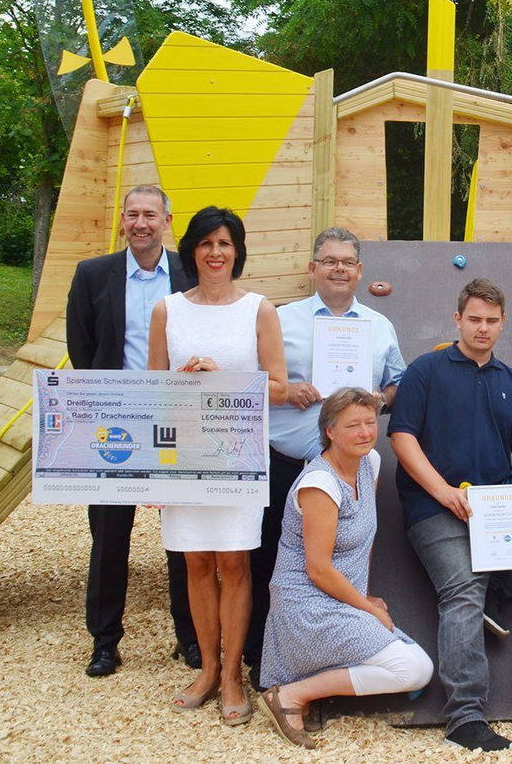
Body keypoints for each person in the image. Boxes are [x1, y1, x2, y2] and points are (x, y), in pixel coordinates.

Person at [388, 278, 512, 752]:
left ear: (504, 324)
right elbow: (402, 438)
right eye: (474, 319)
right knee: (462, 590)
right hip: (434, 508)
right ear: (457, 319)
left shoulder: (511, 381)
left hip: (497, 505)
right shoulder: (425, 371)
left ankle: (495, 589)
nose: (483, 328)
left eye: (492, 321)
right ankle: (464, 716)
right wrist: (441, 492)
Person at [149, 205, 288, 725]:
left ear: (238, 251)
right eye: (206, 243)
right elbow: (152, 391)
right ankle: (206, 669)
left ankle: (233, 674)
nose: (215, 252)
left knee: (234, 563)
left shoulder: (259, 309)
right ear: (192, 250)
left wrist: (223, 379)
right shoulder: (167, 310)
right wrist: (153, 467)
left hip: (238, 457)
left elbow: (278, 387)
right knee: (196, 562)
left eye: (225, 243)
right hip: (183, 455)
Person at [246, 227, 404, 685]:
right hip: (286, 463)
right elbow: (254, 383)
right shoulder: (281, 319)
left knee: (341, 563)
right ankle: (264, 657)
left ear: (359, 271)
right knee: (269, 560)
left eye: (347, 262)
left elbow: (399, 382)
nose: (339, 268)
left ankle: (327, 658)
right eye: (329, 260)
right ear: (312, 268)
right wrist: (286, 391)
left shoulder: (379, 326)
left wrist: (378, 399)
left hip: (348, 469)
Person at [64, 185, 198, 678]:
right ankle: (104, 642)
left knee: (183, 533)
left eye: (151, 214)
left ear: (167, 219)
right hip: (114, 421)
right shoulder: (93, 274)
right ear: (122, 220)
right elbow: (81, 346)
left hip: (175, 417)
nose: (141, 223)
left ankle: (190, 637)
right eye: (133, 214)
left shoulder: (190, 272)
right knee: (109, 534)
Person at [259, 388, 434, 749]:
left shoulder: (370, 463)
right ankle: (290, 695)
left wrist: (364, 594)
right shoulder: (320, 484)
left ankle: (296, 691)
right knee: (414, 669)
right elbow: (318, 569)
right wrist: (366, 607)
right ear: (330, 432)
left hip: (341, 598)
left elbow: (364, 536)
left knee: (415, 666)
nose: (365, 433)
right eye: (352, 425)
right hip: (306, 604)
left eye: (370, 423)